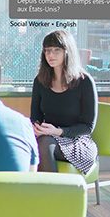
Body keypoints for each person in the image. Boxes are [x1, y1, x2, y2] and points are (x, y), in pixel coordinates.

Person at [31, 30, 98, 174]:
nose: (50, 55)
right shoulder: (40, 81)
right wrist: (37, 128)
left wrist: (59, 132)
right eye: (47, 51)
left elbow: (87, 127)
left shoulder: (84, 82)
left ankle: (52, 194)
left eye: (56, 50)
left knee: (43, 144)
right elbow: (35, 117)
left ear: (67, 52)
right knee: (32, 143)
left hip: (78, 141)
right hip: (49, 137)